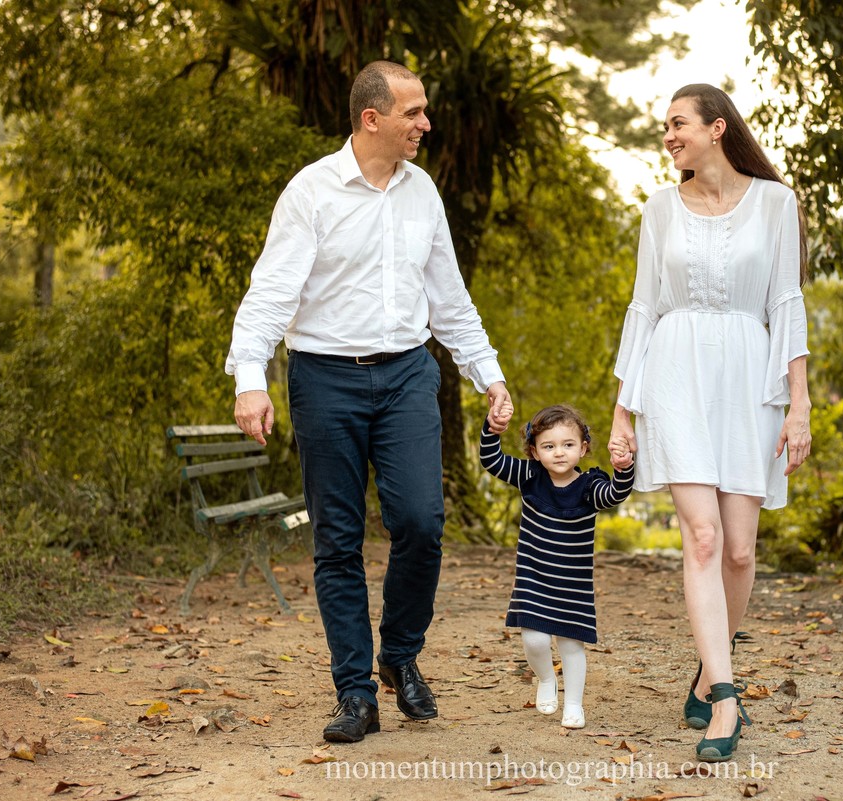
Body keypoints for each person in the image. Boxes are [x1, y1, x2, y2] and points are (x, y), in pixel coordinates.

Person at [225, 60, 512, 744]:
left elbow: (449, 297)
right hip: (324, 379)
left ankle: (400, 654)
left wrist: (488, 374)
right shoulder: (312, 191)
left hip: (408, 373)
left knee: (422, 520)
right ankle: (355, 691)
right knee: (338, 540)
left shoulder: (422, 192)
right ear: (371, 118)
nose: (426, 123)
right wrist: (250, 377)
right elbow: (271, 292)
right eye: (414, 112)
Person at [608, 83, 812, 762]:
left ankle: (704, 672)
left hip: (750, 378)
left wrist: (800, 403)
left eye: (678, 123)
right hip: (676, 372)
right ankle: (725, 698)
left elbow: (786, 303)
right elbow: (643, 307)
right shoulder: (660, 208)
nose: (668, 136)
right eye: (665, 126)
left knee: (739, 550)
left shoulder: (776, 203)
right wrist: (623, 410)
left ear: (717, 128)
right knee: (701, 537)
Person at [479, 404, 635, 729]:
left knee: (571, 645)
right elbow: (492, 460)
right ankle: (546, 679)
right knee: (534, 641)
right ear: (535, 452)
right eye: (549, 446)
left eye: (568, 444)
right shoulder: (530, 476)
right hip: (533, 578)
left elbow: (614, 495)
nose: (559, 453)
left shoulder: (590, 486)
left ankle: (574, 705)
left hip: (572, 585)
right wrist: (492, 429)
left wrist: (623, 469)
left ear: (583, 448)